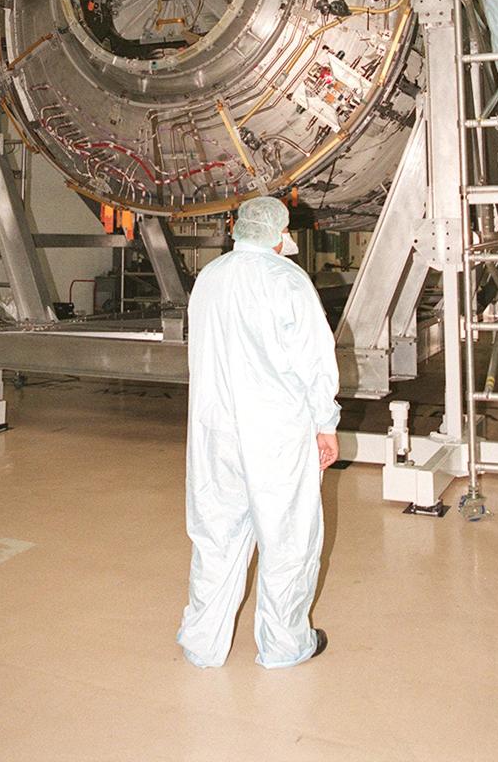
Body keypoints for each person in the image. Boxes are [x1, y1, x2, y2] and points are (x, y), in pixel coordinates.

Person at [177, 196, 340, 670]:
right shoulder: (287, 280)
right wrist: (325, 424)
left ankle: (202, 642)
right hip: (276, 434)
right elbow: (315, 362)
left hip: (214, 432)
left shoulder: (210, 277)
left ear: (236, 229)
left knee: (215, 534)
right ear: (277, 232)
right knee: (287, 537)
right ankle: (285, 644)